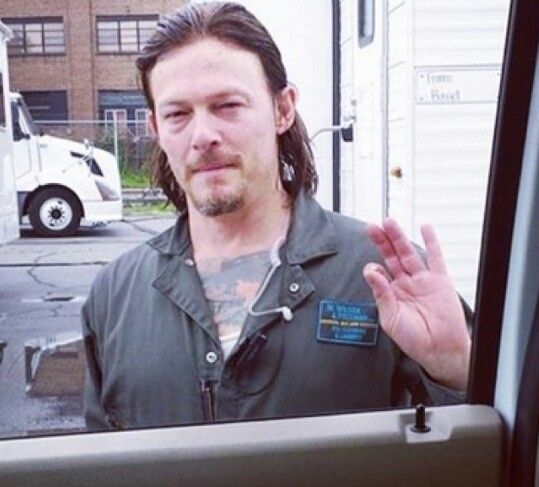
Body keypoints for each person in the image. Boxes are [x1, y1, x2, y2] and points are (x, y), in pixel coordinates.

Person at [82, 1, 472, 430]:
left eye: (228, 105)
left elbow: (482, 445)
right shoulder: (114, 296)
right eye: (178, 114)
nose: (203, 136)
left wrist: (456, 370)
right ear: (157, 129)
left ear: (283, 109)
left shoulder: (380, 275)